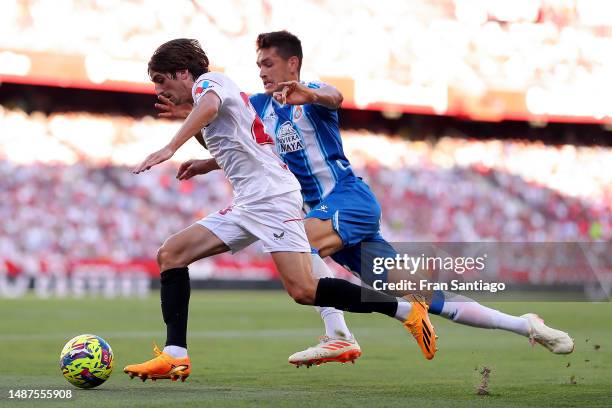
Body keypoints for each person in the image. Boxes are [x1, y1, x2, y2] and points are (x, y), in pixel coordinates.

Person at [159, 31, 574, 368]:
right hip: (323, 215)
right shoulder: (260, 106)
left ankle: (338, 335)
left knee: (298, 246)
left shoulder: (310, 94)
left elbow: (335, 98)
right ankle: (526, 325)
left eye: (268, 64)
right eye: (258, 66)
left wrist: (311, 94)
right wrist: (207, 161)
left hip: (346, 201)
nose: (263, 72)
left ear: (292, 64)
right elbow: (247, 148)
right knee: (424, 297)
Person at [123, 38, 437, 382]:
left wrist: (170, 146)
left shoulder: (210, 83)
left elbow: (210, 108)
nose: (158, 90)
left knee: (303, 290)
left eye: (161, 80)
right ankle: (175, 355)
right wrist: (201, 157)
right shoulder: (204, 99)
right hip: (249, 203)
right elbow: (226, 138)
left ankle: (405, 310)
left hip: (272, 198)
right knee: (171, 253)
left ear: (183, 73)